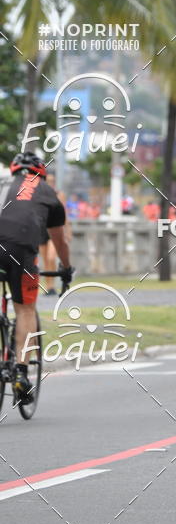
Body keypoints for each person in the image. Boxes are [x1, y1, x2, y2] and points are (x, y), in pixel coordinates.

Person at [0, 153, 73, 403]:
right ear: (40, 173)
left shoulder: (2, 183)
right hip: (20, 249)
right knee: (25, 310)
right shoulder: (45, 191)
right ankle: (21, 372)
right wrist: (66, 268)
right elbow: (59, 240)